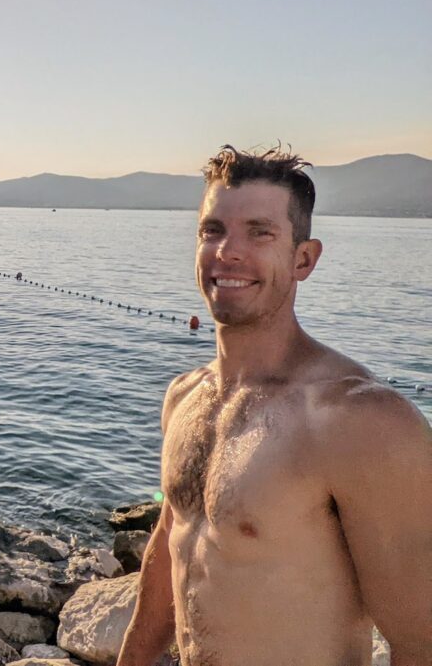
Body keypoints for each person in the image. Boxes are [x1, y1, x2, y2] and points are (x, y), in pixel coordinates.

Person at [117, 146, 432, 665]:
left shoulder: (360, 420)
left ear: (303, 258)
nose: (228, 252)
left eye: (259, 232)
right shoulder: (184, 398)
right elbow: (171, 543)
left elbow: (420, 640)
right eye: (212, 230)